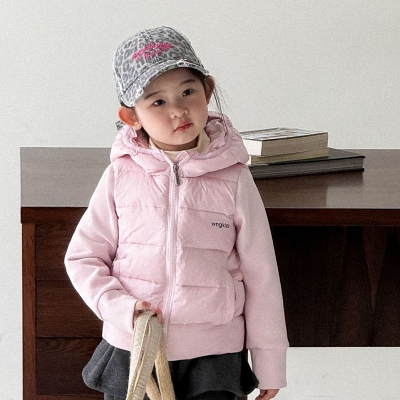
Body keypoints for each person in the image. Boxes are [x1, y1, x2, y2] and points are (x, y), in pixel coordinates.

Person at [65, 26, 288, 400]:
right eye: (157, 102)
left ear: (208, 90)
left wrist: (269, 363)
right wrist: (121, 310)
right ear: (131, 116)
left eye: (188, 92)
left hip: (214, 358)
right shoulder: (120, 175)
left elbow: (261, 275)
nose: (178, 110)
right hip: (135, 349)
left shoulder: (234, 178)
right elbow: (83, 258)